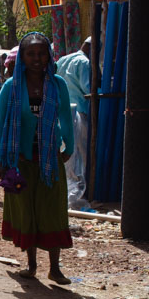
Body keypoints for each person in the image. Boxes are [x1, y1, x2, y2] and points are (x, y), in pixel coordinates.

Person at [0, 32, 74, 284]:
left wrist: (69, 146)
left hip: (50, 159)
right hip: (19, 161)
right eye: (31, 53)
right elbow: (0, 126)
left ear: (49, 56)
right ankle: (30, 266)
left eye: (42, 53)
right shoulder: (11, 87)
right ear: (23, 57)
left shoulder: (58, 84)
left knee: (52, 211)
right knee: (25, 212)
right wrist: (1, 161)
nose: (37, 58)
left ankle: (55, 268)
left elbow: (65, 118)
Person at [56, 36, 92, 208]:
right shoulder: (84, 63)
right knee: (80, 154)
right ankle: (79, 191)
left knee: (68, 154)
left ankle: (68, 190)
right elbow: (88, 88)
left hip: (63, 112)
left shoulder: (64, 59)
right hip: (80, 113)